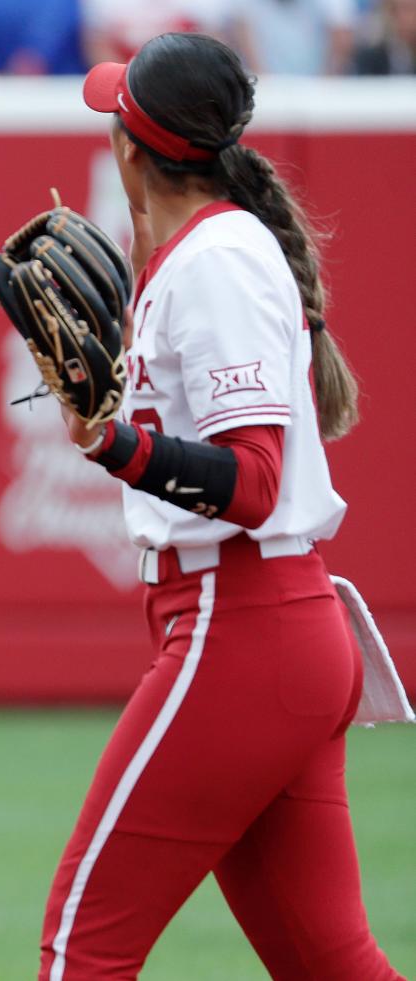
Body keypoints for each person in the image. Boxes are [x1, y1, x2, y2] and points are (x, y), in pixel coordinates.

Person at [35, 32, 405, 980]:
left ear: (130, 148)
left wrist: (107, 439)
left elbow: (253, 484)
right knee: (329, 959)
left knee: (83, 943)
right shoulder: (206, 252)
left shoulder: (218, 261)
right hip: (261, 630)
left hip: (240, 625)